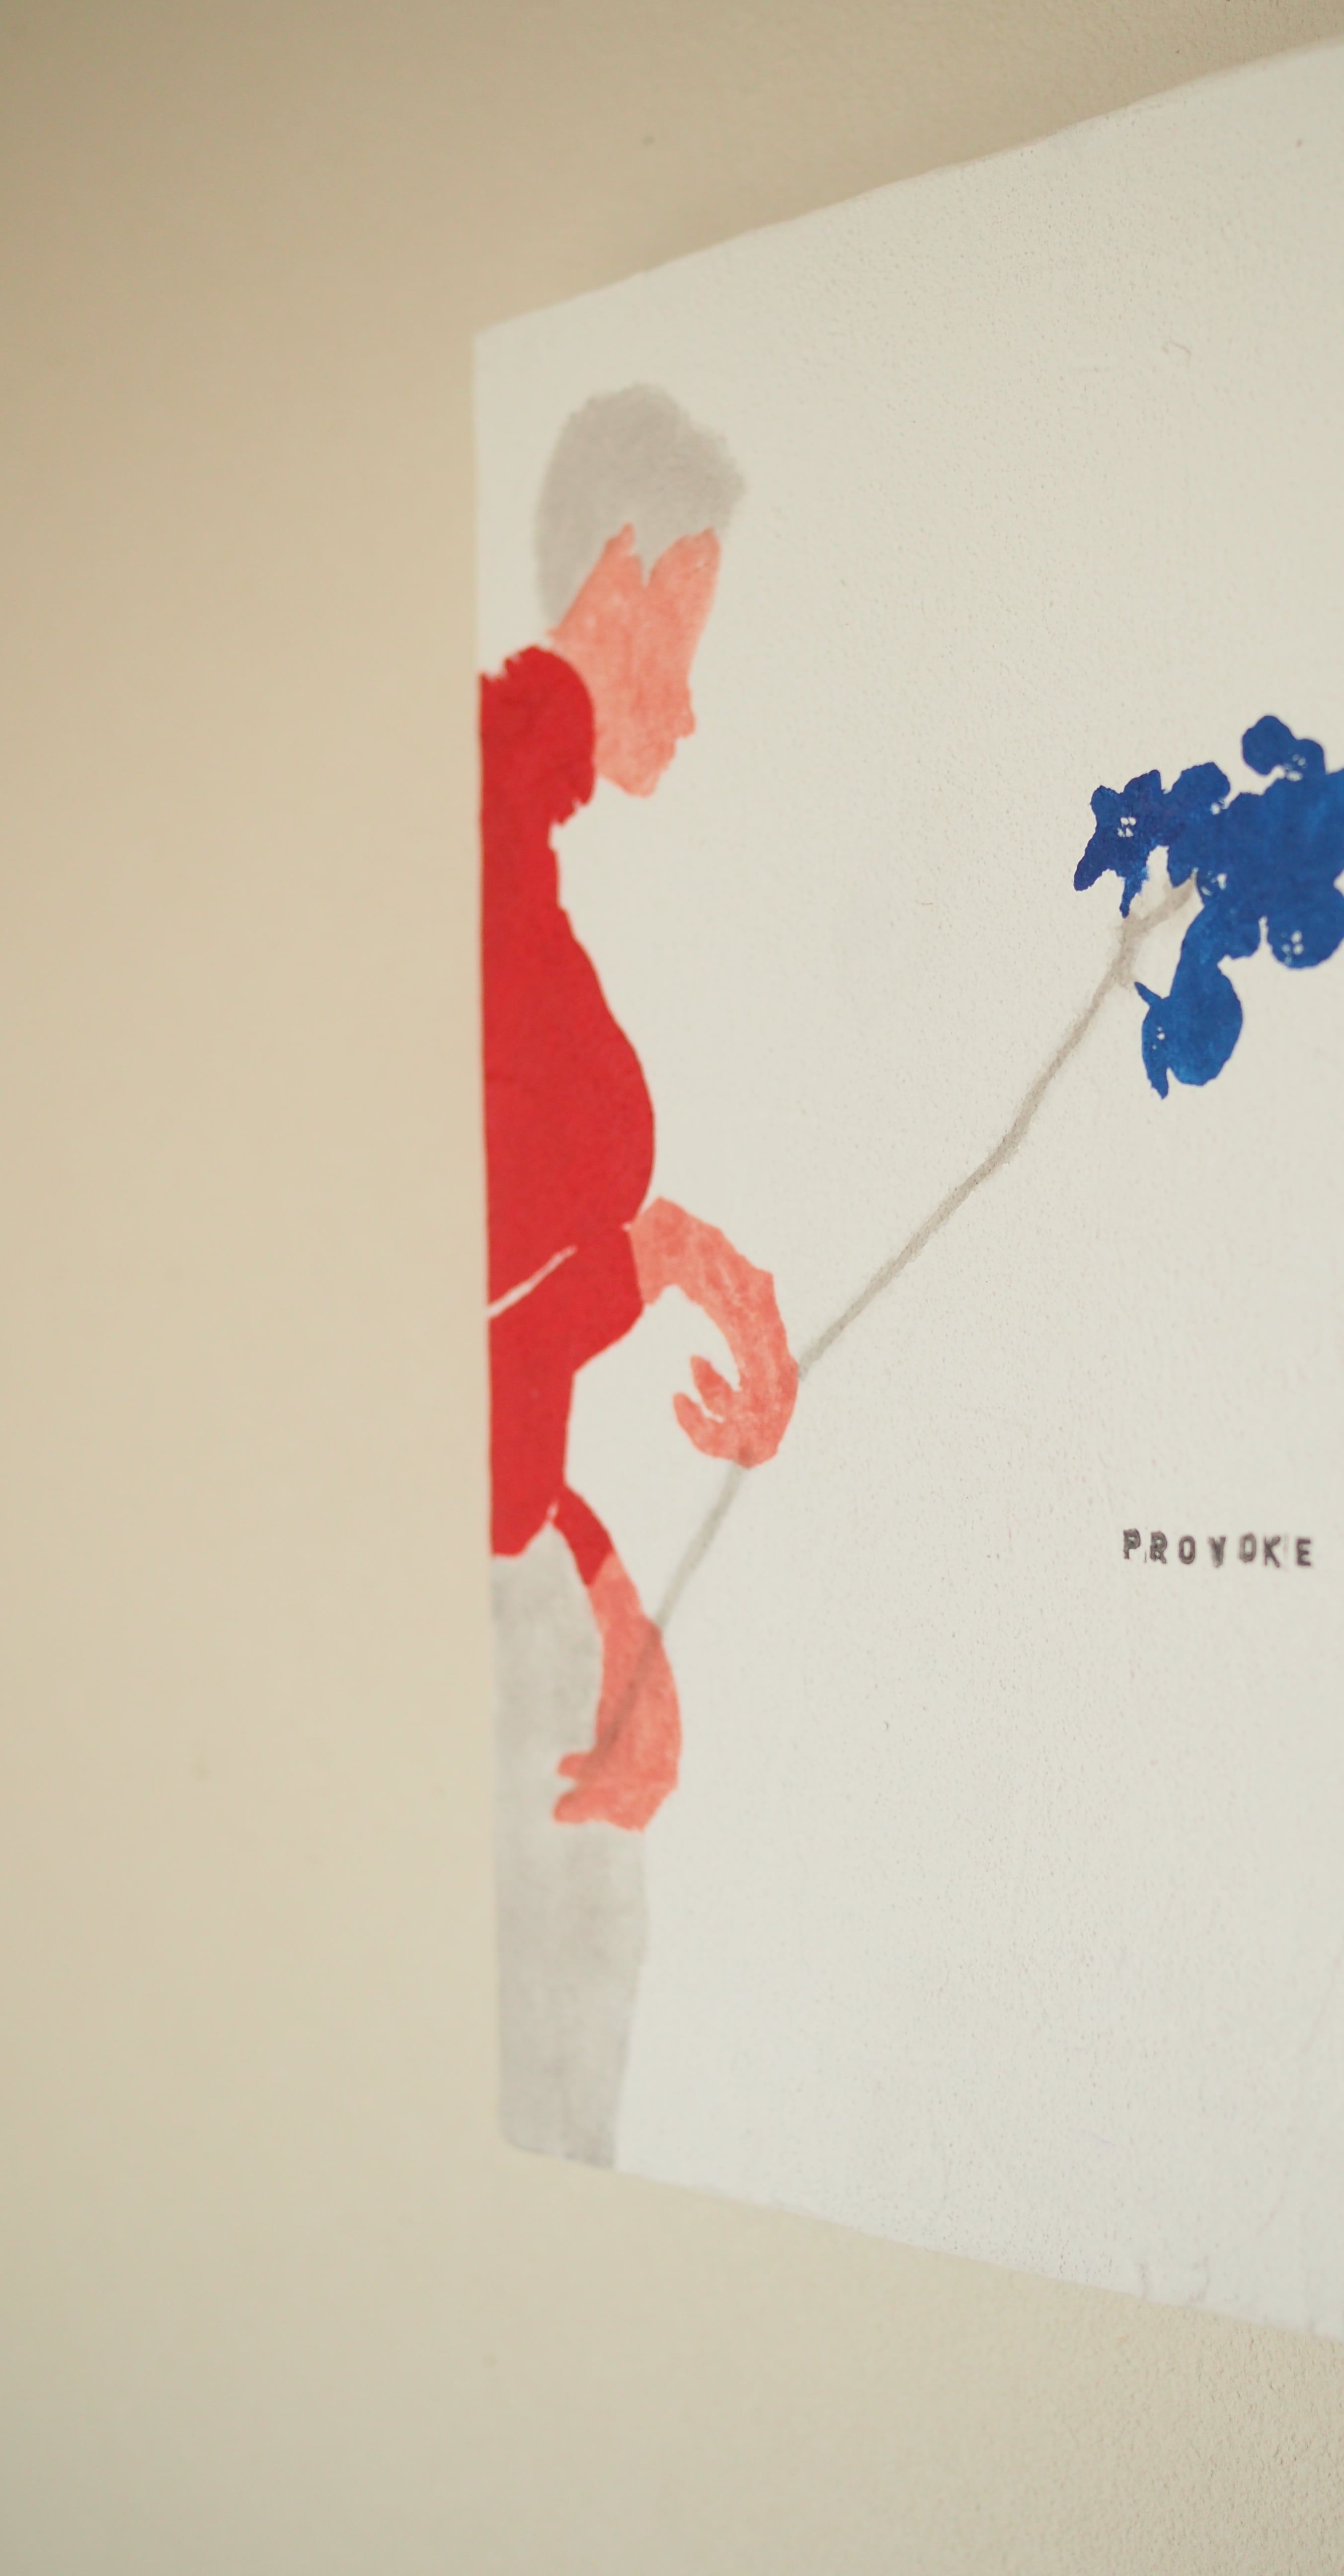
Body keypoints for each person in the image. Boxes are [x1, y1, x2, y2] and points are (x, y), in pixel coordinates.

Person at [482, 387, 795, 1835]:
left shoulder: (509, 838)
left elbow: (503, 1324)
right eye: (689, 626)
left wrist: (608, 1602)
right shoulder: (475, 817)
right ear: (623, 569)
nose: (692, 698)